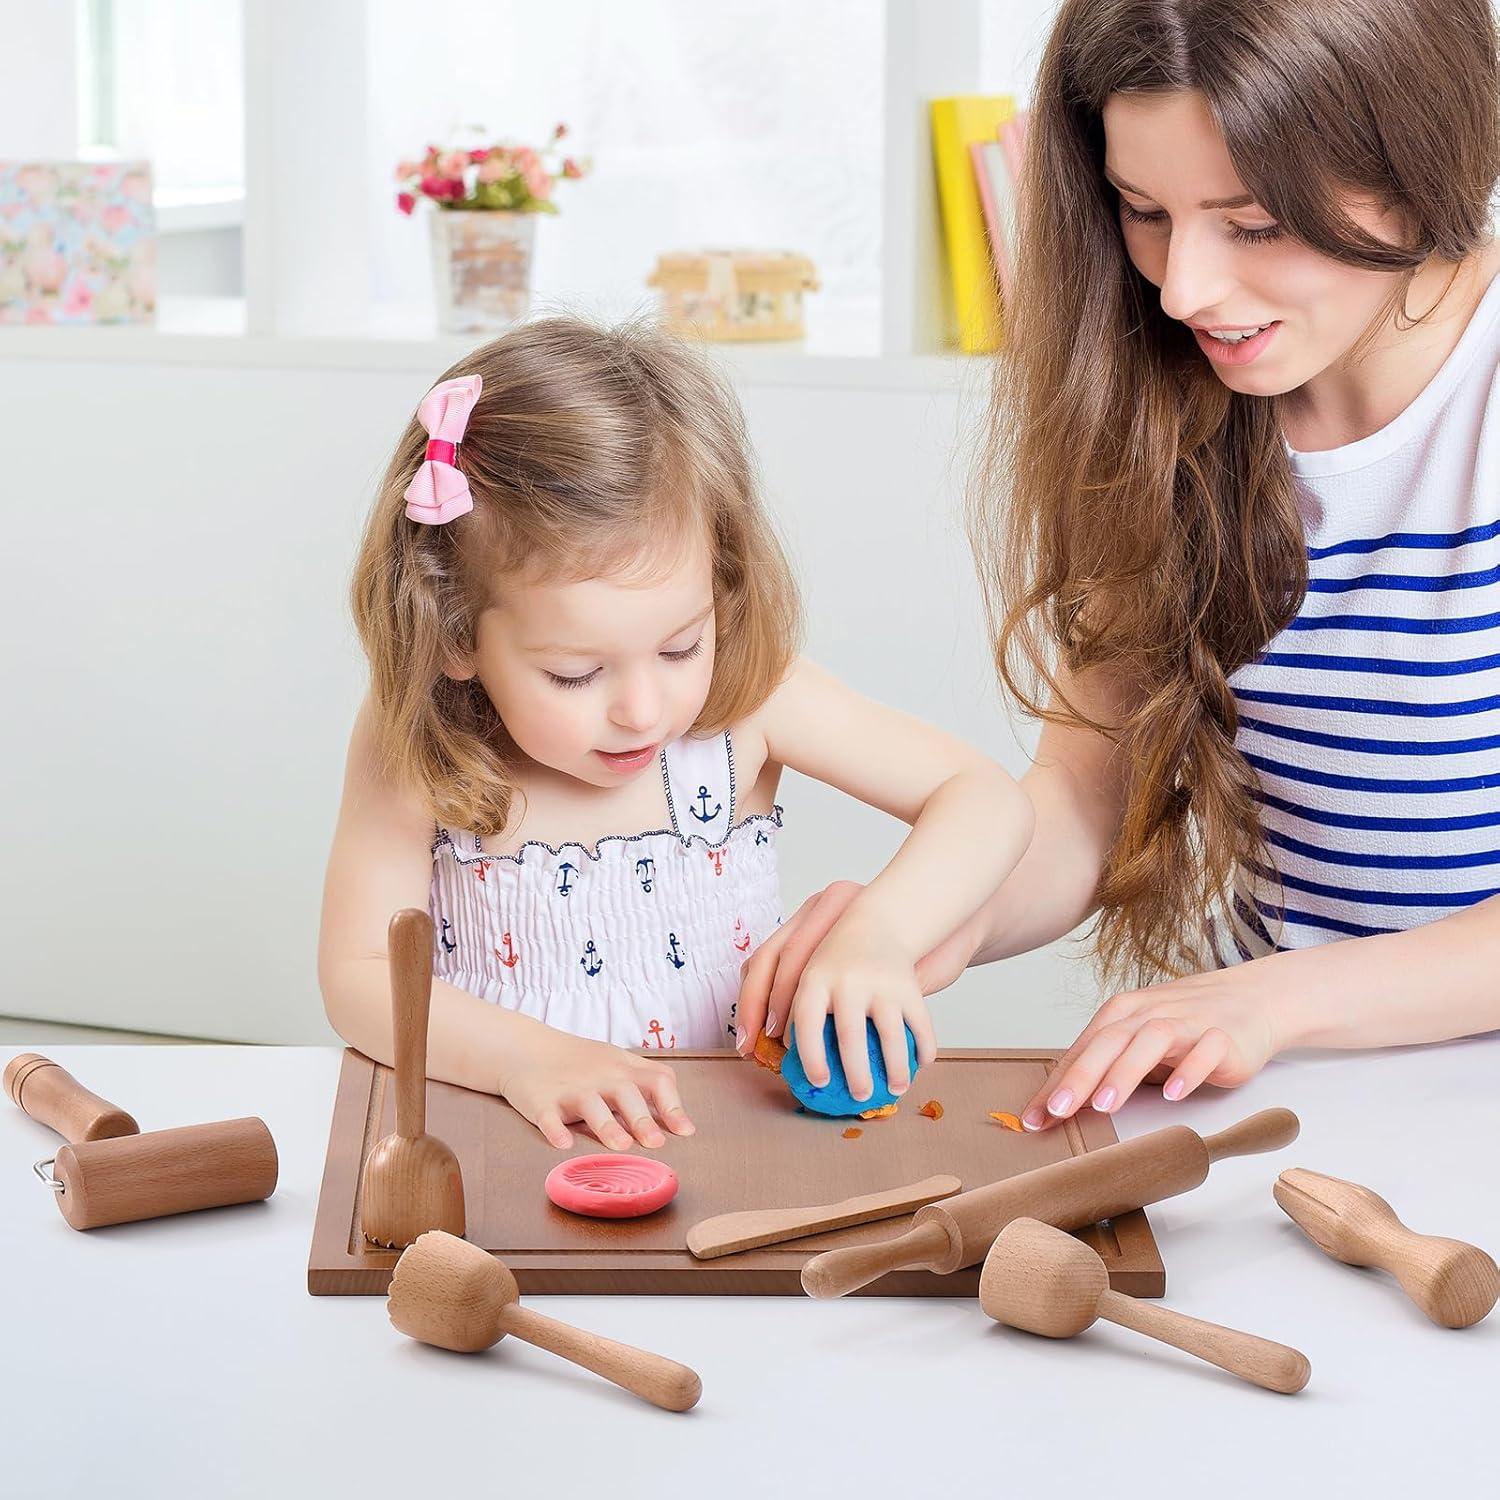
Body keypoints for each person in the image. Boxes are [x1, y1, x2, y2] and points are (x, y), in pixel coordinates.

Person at [738, 0, 1500, 1129]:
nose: (1183, 289)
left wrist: (1272, 1000)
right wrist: (917, 916)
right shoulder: (1175, 409)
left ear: (1421, 164)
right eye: (1145, 212)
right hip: (1288, 1092)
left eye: (1253, 224)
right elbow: (1086, 809)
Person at [318, 317, 1033, 1150]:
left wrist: (879, 933)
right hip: (506, 1142)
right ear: (453, 632)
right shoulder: (419, 740)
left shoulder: (750, 704)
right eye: (575, 673)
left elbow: (985, 799)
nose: (643, 709)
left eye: (680, 647)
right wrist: (525, 1058)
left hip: (732, 1145)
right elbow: (358, 976)